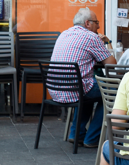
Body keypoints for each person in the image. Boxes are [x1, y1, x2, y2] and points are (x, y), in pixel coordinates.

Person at [49, 8, 115, 147]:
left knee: (87, 86)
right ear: (87, 23)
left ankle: (76, 134)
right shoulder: (92, 37)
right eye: (96, 22)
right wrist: (107, 43)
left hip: (55, 89)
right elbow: (111, 64)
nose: (99, 26)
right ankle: (92, 138)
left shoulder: (64, 34)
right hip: (74, 90)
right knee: (111, 93)